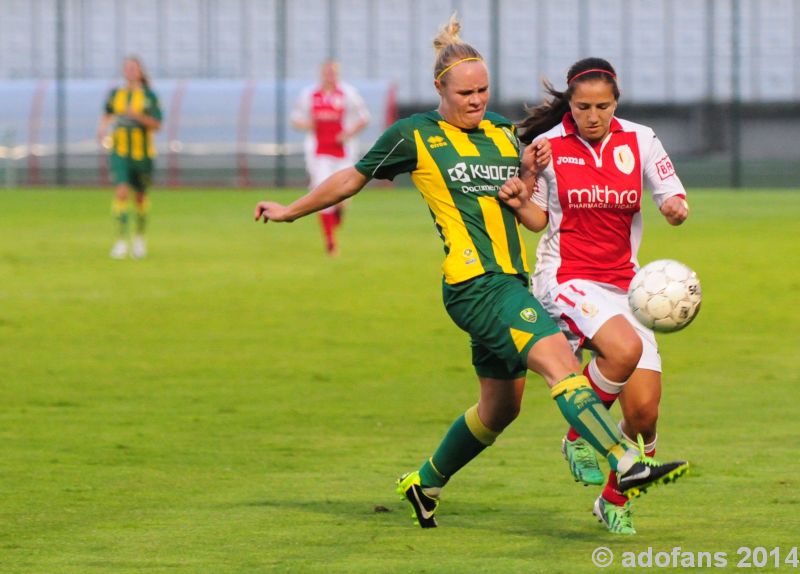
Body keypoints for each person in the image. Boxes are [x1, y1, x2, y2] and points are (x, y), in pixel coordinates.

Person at [255, 18, 688, 530]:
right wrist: (291, 211)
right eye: (466, 92)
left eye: (483, 89)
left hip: (510, 282)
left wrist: (526, 178)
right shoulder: (415, 134)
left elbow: (530, 207)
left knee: (500, 409)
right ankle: (623, 461)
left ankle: (424, 482)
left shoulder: (504, 132)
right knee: (560, 366)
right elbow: (352, 177)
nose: (476, 99)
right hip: (474, 284)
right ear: (440, 88)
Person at [504, 57, 690, 534]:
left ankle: (612, 501)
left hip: (626, 284)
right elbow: (537, 221)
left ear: (616, 102)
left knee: (645, 416)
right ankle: (577, 435)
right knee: (623, 350)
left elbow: (671, 193)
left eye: (602, 106)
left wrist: (672, 207)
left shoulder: (641, 139)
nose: (592, 115)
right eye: (583, 106)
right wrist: (522, 194)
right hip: (565, 276)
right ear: (570, 103)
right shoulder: (547, 146)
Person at [291, 60, 371, 256]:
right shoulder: (310, 94)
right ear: (321, 74)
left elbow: (364, 118)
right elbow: (295, 119)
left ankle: (338, 214)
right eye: (326, 72)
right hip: (319, 153)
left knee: (344, 194)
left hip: (343, 152)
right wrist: (307, 125)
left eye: (333, 72)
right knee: (322, 191)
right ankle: (330, 241)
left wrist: (348, 133)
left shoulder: (348, 94)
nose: (330, 75)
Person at [97, 56, 162, 259]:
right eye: (128, 68)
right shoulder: (116, 94)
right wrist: (102, 129)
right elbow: (107, 114)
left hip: (143, 155)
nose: (131, 71)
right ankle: (120, 241)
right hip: (120, 152)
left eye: (134, 68)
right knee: (122, 191)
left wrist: (138, 116)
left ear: (140, 71)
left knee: (141, 196)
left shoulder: (149, 96)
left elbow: (157, 125)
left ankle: (139, 238)